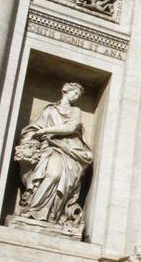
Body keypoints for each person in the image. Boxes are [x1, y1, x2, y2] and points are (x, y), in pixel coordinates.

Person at [14, 82, 93, 230]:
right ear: (65, 91)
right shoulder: (49, 110)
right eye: (74, 93)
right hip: (49, 149)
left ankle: (52, 216)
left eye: (78, 95)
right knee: (52, 174)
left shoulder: (76, 111)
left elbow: (70, 127)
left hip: (69, 151)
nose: (76, 97)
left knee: (60, 178)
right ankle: (33, 211)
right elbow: (33, 128)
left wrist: (45, 131)